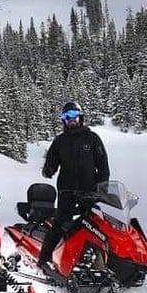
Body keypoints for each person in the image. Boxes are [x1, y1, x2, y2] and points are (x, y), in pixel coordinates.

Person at [38, 101, 110, 276]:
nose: (71, 120)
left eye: (74, 116)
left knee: (96, 227)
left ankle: (100, 262)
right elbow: (52, 163)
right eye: (67, 117)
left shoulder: (92, 139)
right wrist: (48, 169)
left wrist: (102, 188)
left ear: (80, 118)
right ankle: (44, 259)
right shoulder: (60, 141)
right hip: (67, 192)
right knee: (61, 225)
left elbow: (103, 166)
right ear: (63, 120)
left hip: (89, 193)